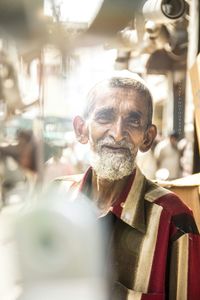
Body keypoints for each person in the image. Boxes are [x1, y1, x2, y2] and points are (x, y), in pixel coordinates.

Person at [55, 72, 200, 299]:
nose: (118, 133)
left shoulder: (174, 220)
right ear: (81, 130)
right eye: (105, 117)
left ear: (147, 138)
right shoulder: (56, 197)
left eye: (133, 120)